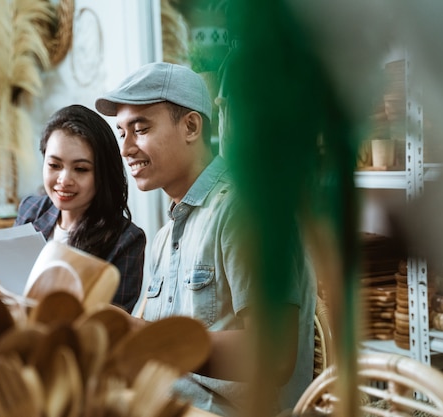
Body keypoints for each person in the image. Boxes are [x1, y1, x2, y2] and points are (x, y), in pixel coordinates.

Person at [95, 62, 315, 416]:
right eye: (122, 133)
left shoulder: (245, 211)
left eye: (141, 129)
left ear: (191, 126)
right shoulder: (166, 237)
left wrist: (150, 339)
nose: (126, 149)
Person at [14, 104, 146, 313]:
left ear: (102, 173)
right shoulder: (30, 210)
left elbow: (110, 326)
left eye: (80, 169)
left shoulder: (126, 240)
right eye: (54, 165)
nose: (64, 180)